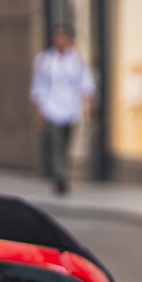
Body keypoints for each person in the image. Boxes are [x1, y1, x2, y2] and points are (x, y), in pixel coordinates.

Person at [29, 24, 94, 196]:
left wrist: (88, 104)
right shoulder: (45, 60)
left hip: (72, 108)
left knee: (67, 144)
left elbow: (85, 83)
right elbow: (39, 86)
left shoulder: (77, 59)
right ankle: (60, 177)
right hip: (52, 108)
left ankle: (63, 171)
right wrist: (38, 110)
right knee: (57, 144)